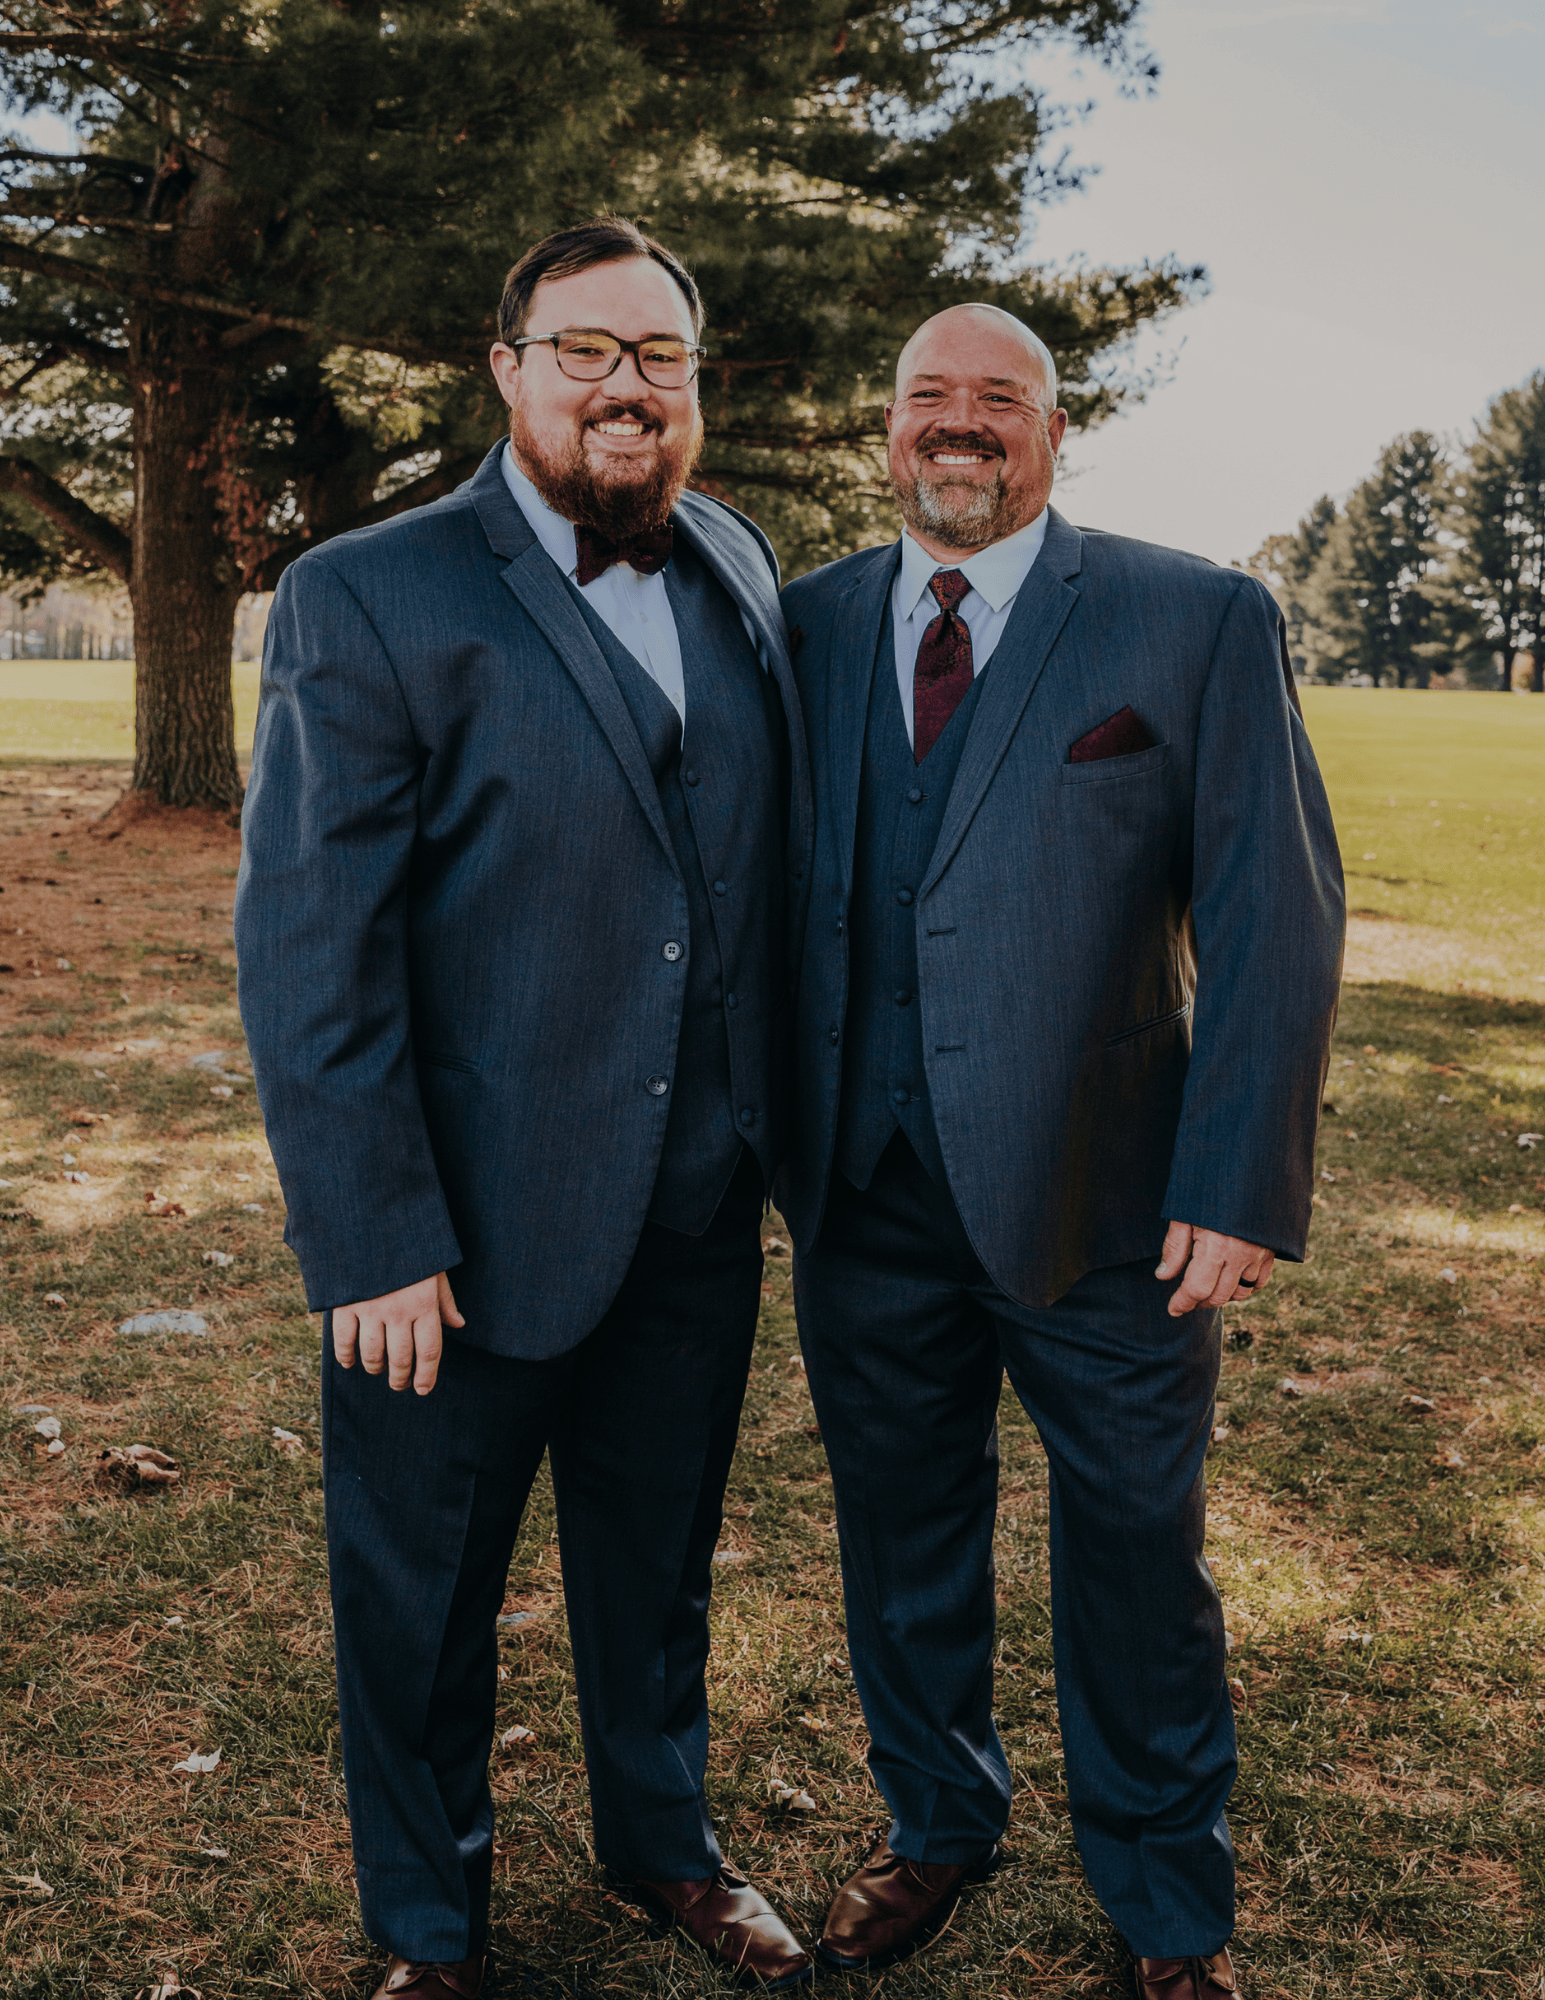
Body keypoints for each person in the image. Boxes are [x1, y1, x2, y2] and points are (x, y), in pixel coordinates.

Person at [236, 218, 815, 2000]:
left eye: (660, 354)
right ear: (507, 371)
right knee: (416, 1609)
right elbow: (310, 950)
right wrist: (374, 1239)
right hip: (455, 1237)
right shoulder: (372, 590)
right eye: (586, 351)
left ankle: (665, 1851)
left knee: (656, 1578)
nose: (626, 386)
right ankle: (431, 1930)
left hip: (695, 1201)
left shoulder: (737, 556)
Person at [778, 304, 1344, 2000]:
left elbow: (1276, 919)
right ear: (888, 430)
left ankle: (1169, 1909)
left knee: (1133, 1556)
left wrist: (1235, 1183)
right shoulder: (799, 625)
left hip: (1111, 1207)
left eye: (998, 400)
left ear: (1054, 427)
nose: (961, 425)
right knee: (901, 1534)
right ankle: (938, 1819)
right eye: (929, 399)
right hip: (861, 1192)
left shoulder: (1196, 619)